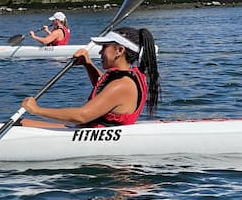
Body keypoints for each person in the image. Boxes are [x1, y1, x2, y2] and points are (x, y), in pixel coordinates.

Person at [20, 26, 160, 128]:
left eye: (104, 47)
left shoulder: (122, 85)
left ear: (119, 50)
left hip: (91, 131)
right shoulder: (127, 76)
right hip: (89, 129)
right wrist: (88, 64)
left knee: (20, 124)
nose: (100, 52)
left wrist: (37, 110)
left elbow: (82, 116)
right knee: (21, 123)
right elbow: (104, 88)